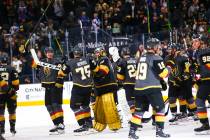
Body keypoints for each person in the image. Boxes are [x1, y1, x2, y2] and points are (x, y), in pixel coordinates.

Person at [128, 38, 171, 139]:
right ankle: (159, 131)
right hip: (152, 88)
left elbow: (137, 74)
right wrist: (168, 68)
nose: (159, 47)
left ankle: (132, 132)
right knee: (160, 108)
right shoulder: (156, 58)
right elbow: (163, 74)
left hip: (138, 88)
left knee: (139, 112)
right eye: (158, 46)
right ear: (154, 47)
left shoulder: (141, 57)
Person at [58, 47, 93, 134]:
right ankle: (89, 124)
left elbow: (61, 73)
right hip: (89, 86)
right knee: (85, 105)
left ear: (74, 54)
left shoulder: (70, 62)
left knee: (74, 106)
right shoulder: (87, 59)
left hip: (79, 87)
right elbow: (96, 69)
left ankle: (83, 125)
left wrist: (63, 63)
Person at [33, 47, 65, 135]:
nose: (49, 53)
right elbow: (35, 66)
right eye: (48, 52)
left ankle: (61, 124)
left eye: (51, 52)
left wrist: (59, 82)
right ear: (45, 53)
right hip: (47, 86)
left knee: (56, 105)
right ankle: (56, 124)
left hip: (55, 86)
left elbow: (62, 72)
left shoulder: (57, 61)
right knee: (48, 105)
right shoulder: (42, 61)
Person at [89, 47, 121, 132]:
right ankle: (100, 125)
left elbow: (102, 72)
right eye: (96, 52)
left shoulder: (104, 59)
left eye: (98, 52)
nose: (96, 54)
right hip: (101, 87)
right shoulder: (99, 61)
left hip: (107, 86)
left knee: (109, 106)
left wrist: (92, 66)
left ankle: (115, 124)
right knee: (100, 108)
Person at [0, 55, 19, 135]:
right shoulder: (12, 68)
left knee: (0, 113)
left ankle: (2, 130)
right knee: (12, 112)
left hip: (0, 94)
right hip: (11, 93)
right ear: (8, 61)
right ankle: (12, 129)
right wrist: (14, 89)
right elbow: (16, 83)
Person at [194, 45, 210, 134]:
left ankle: (205, 125)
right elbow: (200, 67)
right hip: (204, 81)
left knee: (199, 101)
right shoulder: (198, 53)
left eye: (196, 41)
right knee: (199, 101)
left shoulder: (202, 52)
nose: (194, 43)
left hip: (207, 80)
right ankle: (205, 124)